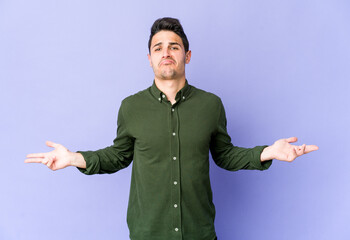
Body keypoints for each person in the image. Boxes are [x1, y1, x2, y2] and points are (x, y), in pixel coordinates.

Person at [25, 17, 319, 240]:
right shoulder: (131, 107)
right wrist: (74, 158)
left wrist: (269, 152)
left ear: (187, 55)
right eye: (158, 48)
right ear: (150, 58)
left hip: (199, 233)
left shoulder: (211, 105)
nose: (166, 53)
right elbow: (117, 156)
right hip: (147, 234)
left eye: (174, 47)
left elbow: (225, 155)